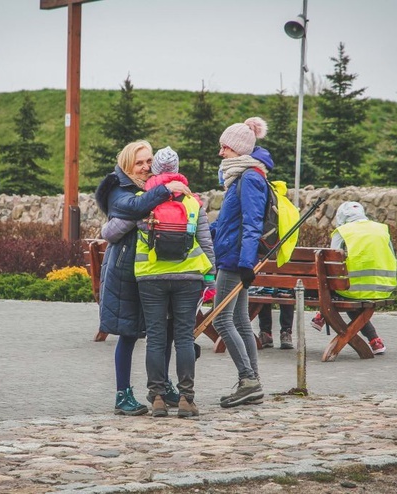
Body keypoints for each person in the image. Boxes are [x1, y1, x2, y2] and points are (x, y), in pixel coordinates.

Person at [102, 146, 216, 418]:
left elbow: (111, 230)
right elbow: (206, 242)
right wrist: (211, 278)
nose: (143, 166)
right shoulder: (189, 200)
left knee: (156, 336)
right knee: (182, 337)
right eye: (138, 162)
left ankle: (158, 398)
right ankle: (186, 398)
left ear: (156, 166)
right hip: (186, 276)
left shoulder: (145, 198)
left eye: (148, 161)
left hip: (149, 275)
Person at [211, 116, 272, 408]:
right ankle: (253, 383)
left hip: (235, 260)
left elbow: (252, 223)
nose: (221, 153)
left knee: (221, 319)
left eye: (225, 148)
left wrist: (247, 264)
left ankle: (248, 380)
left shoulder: (249, 178)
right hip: (235, 256)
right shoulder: (239, 177)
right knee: (240, 322)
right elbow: (229, 222)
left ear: (238, 149)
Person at [310, 201, 397, 355]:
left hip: (353, 290)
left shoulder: (343, 231)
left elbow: (331, 265)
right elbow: (394, 256)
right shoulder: (382, 229)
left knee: (343, 289)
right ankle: (374, 340)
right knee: (348, 291)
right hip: (384, 287)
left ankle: (323, 313)